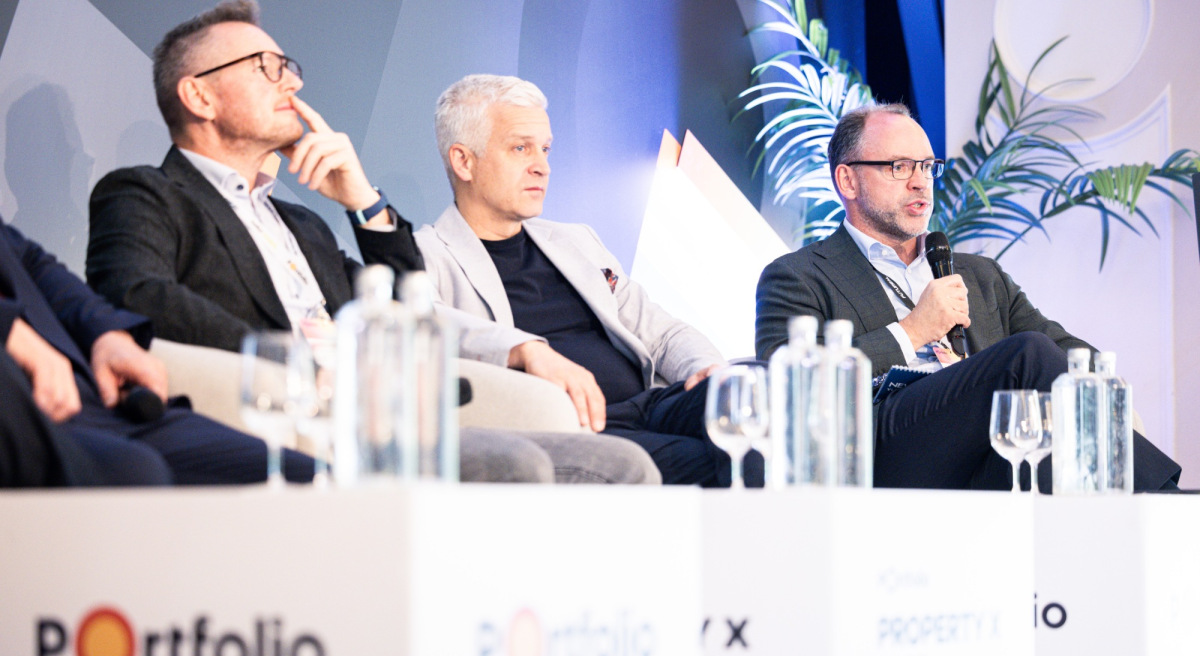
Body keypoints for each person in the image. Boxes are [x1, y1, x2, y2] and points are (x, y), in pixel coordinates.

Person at [85, 1, 659, 486]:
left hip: (378, 418)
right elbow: (139, 298)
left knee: (626, 465)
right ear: (200, 96)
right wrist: (298, 365)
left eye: (289, 67)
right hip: (278, 417)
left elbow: (411, 305)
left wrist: (362, 200)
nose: (293, 82)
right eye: (266, 68)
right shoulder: (144, 194)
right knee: (519, 465)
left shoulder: (299, 225)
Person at [755, 102, 1181, 491]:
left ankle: (1133, 530)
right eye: (900, 167)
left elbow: (1060, 349)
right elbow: (787, 390)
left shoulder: (980, 275)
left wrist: (1102, 392)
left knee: (1063, 414)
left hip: (989, 451)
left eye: (927, 166)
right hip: (881, 450)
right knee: (1026, 354)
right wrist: (912, 330)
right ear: (847, 180)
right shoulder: (798, 276)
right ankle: (1169, 502)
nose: (920, 182)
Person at [416, 74, 756, 487]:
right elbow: (423, 323)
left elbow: (661, 331)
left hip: (652, 403)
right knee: (714, 463)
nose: (542, 166)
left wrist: (706, 369)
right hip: (574, 430)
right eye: (520, 148)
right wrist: (525, 349)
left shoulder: (576, 240)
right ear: (463, 161)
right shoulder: (424, 254)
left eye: (545, 149)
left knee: (754, 392)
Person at [0, 216, 313, 487]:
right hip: (22, 405)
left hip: (100, 402)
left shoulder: (305, 224)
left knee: (307, 481)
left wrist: (108, 334)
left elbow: (29, 260)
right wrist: (10, 329)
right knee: (134, 473)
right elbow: (141, 290)